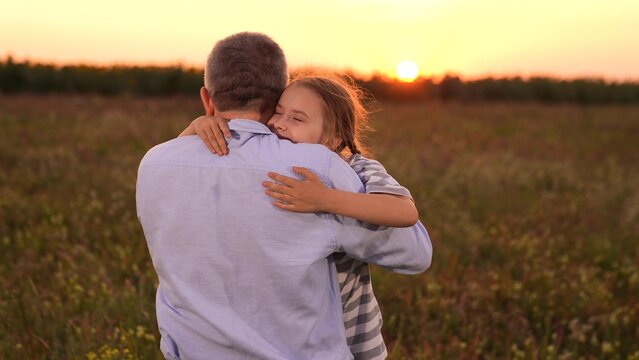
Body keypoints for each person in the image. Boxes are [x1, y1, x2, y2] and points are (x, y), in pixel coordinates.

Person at [137, 32, 432, 360]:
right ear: (279, 96)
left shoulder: (155, 162)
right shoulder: (315, 165)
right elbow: (414, 253)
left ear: (208, 100)